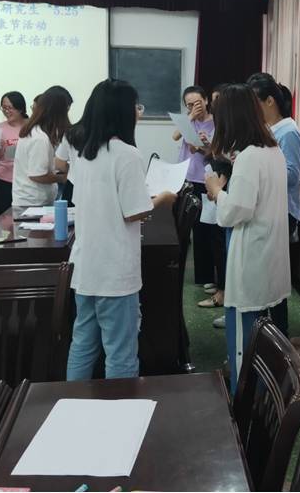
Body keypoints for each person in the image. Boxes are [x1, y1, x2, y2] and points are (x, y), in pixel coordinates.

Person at [63, 79, 176, 379]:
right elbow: (135, 212)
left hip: (85, 267)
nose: (138, 112)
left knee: (82, 344)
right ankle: (121, 406)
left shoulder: (84, 153)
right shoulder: (126, 154)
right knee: (121, 352)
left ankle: (72, 400)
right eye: (135, 106)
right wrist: (163, 199)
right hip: (115, 271)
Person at [204, 84, 290, 393]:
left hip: (252, 257)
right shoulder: (272, 150)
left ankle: (243, 406)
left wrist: (217, 192)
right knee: (263, 338)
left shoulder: (249, 158)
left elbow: (234, 212)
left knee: (244, 342)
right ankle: (262, 399)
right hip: (268, 254)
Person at [247, 72, 300, 336]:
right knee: (265, 277)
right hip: (269, 210)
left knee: (274, 279)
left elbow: (292, 175)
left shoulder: (289, 132)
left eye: (255, 103)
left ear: (269, 101)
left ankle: (279, 336)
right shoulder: (270, 130)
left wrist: (259, 169)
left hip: (283, 212)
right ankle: (263, 332)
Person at [173, 86, 226, 308]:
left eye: (197, 102)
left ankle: (215, 278)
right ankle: (203, 276)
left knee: (210, 228)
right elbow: (175, 136)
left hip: (207, 178)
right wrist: (189, 117)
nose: (194, 107)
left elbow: (215, 152)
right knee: (196, 228)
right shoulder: (189, 120)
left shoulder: (217, 121)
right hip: (187, 176)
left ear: (206, 100)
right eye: (189, 104)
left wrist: (203, 146)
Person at [12, 86, 70, 207]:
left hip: (33, 200)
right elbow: (37, 175)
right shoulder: (40, 138)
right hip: (32, 203)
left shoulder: (37, 132)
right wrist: (62, 178)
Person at [0, 91, 28, 214]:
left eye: (10, 108)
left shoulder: (31, 126)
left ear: (20, 108)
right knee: (5, 216)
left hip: (26, 180)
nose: (6, 111)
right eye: (4, 108)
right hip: (4, 179)